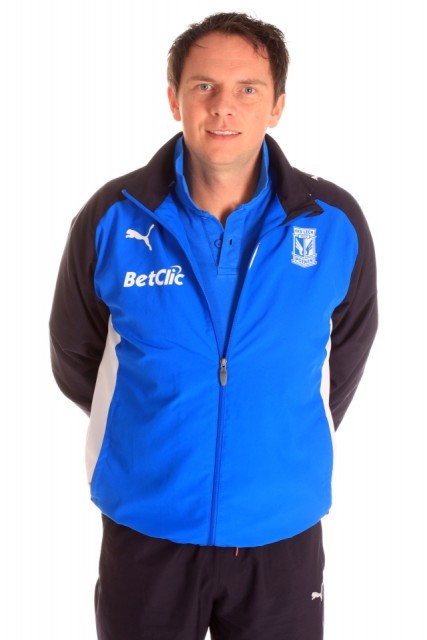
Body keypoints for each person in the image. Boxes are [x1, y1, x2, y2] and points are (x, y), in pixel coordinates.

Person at [49, 11, 378, 640]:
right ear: (174, 99)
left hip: (280, 530)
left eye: (247, 89)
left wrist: (264, 424)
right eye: (204, 86)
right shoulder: (112, 218)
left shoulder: (334, 224)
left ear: (277, 105)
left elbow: (346, 354)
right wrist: (164, 424)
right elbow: (75, 355)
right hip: (147, 524)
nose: (223, 106)